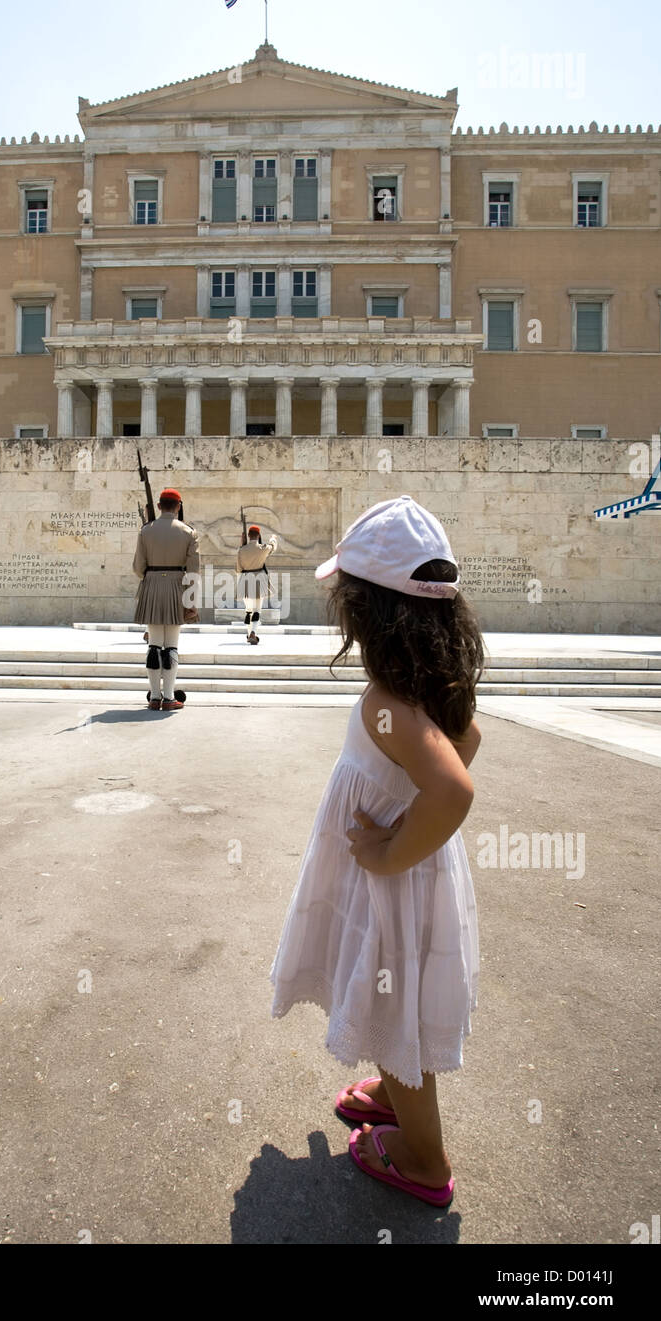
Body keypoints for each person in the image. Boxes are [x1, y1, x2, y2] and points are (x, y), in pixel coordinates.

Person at [269, 495, 484, 1207]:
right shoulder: (426, 686)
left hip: (391, 878)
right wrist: (400, 819)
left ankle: (423, 1160)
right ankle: (395, 1092)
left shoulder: (385, 699)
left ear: (368, 614)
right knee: (388, 990)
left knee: (395, 1007)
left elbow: (451, 790)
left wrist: (391, 853)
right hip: (404, 875)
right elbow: (467, 746)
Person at [132, 488, 199, 711]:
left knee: (153, 645)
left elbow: (138, 568)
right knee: (171, 645)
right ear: (179, 507)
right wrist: (190, 602)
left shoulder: (146, 531)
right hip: (177, 588)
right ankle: (169, 697)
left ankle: (155, 696)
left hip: (151, 585)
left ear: (159, 507)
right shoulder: (189, 532)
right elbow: (193, 572)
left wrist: (153, 578)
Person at [236, 525, 278, 644]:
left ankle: (249, 634)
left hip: (244, 581)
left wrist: (243, 545)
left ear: (248, 536)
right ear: (258, 536)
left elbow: (238, 569)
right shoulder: (262, 548)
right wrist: (273, 538)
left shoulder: (241, 550)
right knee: (256, 610)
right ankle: (253, 633)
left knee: (248, 610)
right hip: (259, 581)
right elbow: (272, 547)